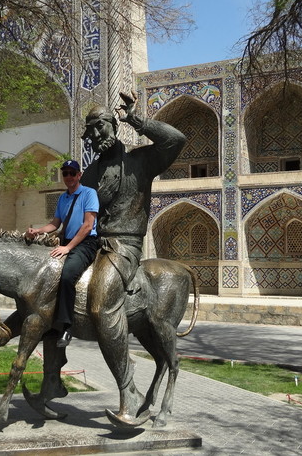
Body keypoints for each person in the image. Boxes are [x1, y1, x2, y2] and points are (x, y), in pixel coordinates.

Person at [80, 91, 185, 427]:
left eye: (101, 127)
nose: (97, 136)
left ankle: (130, 392)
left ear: (113, 124)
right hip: (95, 244)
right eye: (91, 132)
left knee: (99, 306)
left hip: (124, 247)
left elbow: (176, 139)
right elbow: (79, 217)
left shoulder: (140, 161)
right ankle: (53, 373)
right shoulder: (89, 175)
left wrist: (135, 119)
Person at [25, 159, 99, 347]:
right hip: (66, 242)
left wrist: (68, 248)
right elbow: (55, 224)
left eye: (72, 173)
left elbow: (88, 225)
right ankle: (47, 320)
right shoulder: (62, 198)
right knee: (45, 272)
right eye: (65, 173)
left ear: (79, 175)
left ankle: (67, 326)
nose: (68, 177)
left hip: (86, 243)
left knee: (66, 276)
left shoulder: (89, 194)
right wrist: (37, 231)